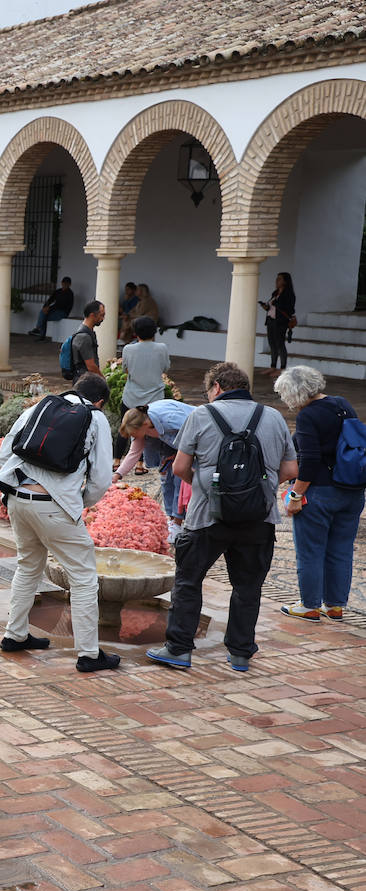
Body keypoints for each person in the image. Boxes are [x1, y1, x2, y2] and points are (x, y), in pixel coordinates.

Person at [147, 362, 296, 672]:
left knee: (189, 581)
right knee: (247, 587)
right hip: (259, 519)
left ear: (216, 387)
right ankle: (240, 654)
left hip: (206, 518)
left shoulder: (201, 415)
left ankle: (178, 650)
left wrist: (209, 491)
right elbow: (291, 470)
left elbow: (179, 468)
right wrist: (255, 492)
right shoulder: (274, 417)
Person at [0, 371, 120, 673]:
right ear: (100, 401)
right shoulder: (96, 417)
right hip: (55, 505)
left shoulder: (38, 407)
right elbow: (102, 477)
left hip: (17, 497)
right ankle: (89, 654)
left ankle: (15, 635)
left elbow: (4, 455)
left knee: (28, 565)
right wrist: (79, 502)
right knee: (83, 577)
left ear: (74, 389)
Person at [273, 365, 365, 621]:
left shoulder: (308, 416)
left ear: (294, 393)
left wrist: (295, 496)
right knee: (341, 549)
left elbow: (310, 460)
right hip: (352, 490)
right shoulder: (342, 404)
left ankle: (310, 605)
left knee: (311, 550)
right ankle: (335, 606)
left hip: (321, 492)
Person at [117, 401, 196, 543]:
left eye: (135, 434)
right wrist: (117, 475)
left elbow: (197, 429)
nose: (136, 437)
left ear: (144, 426)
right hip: (168, 445)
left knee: (180, 480)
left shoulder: (169, 418)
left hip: (188, 443)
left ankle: (178, 522)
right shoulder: (144, 426)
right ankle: (172, 519)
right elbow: (134, 452)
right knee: (166, 479)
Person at [116, 315, 170, 462]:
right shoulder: (162, 348)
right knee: (148, 430)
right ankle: (141, 464)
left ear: (136, 332)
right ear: (154, 332)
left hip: (131, 397)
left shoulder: (128, 349)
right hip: (155, 399)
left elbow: (125, 370)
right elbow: (165, 368)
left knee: (125, 425)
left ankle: (116, 461)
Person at [261, 272, 296, 376]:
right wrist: (266, 307)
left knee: (280, 344)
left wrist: (278, 304)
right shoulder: (275, 293)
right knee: (272, 343)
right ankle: (273, 366)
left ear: (285, 281)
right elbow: (272, 306)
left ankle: (282, 368)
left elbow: (290, 309)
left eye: (279, 279)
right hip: (271, 320)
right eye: (277, 279)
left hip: (281, 322)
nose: (277, 281)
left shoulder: (289, 294)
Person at [28, 277, 74, 341]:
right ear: (61, 283)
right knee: (43, 313)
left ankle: (39, 331)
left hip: (63, 312)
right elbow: (50, 300)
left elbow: (64, 306)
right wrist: (45, 307)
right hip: (54, 310)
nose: (65, 285)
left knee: (44, 317)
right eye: (64, 283)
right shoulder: (58, 291)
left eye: (66, 284)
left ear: (69, 285)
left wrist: (49, 308)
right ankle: (39, 331)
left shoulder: (70, 294)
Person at [68, 300, 105, 376]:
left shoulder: (88, 332)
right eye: (101, 315)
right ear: (92, 315)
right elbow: (91, 366)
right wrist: (103, 380)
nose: (103, 318)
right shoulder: (84, 337)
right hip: (85, 379)